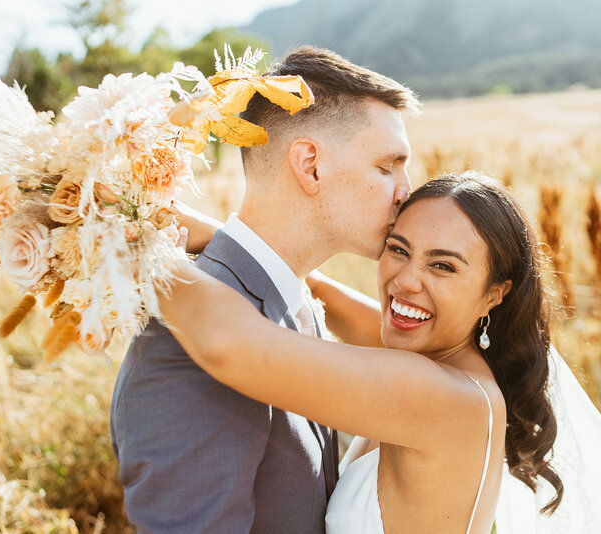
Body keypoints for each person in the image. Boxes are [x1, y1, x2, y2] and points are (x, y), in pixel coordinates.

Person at [109, 46, 419, 533]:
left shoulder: (294, 295)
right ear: (310, 165)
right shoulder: (186, 345)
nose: (407, 190)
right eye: (387, 166)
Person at [159, 172, 564, 533]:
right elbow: (308, 285)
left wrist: (150, 256)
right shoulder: (437, 353)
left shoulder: (440, 397)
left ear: (495, 293)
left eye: (443, 266)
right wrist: (156, 215)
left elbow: (226, 345)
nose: (405, 282)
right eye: (399, 249)